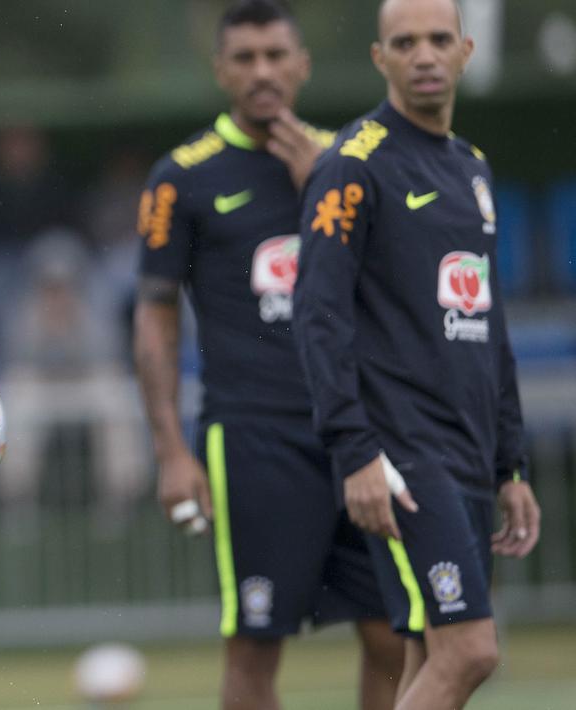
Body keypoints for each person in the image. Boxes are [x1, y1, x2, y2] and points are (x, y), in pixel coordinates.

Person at [132, 2, 403, 709]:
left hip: (358, 434)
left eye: (275, 55)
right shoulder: (180, 176)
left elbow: (393, 287)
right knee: (254, 644)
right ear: (221, 70)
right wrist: (168, 451)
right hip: (253, 436)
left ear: (302, 65)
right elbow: (155, 314)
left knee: (391, 637)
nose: (261, 72)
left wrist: (322, 187)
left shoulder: (348, 164)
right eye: (244, 58)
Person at [292, 1, 541, 707]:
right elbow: (317, 316)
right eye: (405, 43)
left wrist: (510, 464)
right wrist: (354, 452)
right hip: (401, 458)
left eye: (438, 40)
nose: (423, 55)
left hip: (467, 454)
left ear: (464, 50)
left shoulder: (473, 170)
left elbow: (486, 327)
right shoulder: (351, 165)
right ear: (380, 58)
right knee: (468, 650)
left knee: (427, 655)